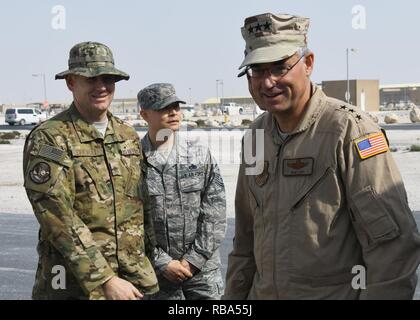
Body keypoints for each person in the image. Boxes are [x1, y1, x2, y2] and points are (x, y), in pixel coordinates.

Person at [224, 13, 420, 299]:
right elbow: (244, 242)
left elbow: (392, 246)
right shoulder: (255, 137)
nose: (267, 83)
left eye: (279, 68)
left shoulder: (350, 130)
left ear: (308, 63)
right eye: (257, 70)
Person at [23, 42, 158, 300]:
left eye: (108, 79)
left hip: (131, 283)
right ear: (71, 82)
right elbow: (57, 215)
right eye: (90, 78)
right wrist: (105, 279)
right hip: (75, 286)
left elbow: (143, 208)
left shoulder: (127, 135)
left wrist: (151, 265)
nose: (101, 86)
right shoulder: (50, 139)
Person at [137, 83, 227, 299]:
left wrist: (192, 260)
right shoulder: (132, 160)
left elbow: (215, 212)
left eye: (176, 106)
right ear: (145, 114)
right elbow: (129, 222)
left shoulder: (198, 155)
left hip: (202, 275)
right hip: (156, 276)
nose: (173, 113)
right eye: (163, 108)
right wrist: (162, 262)